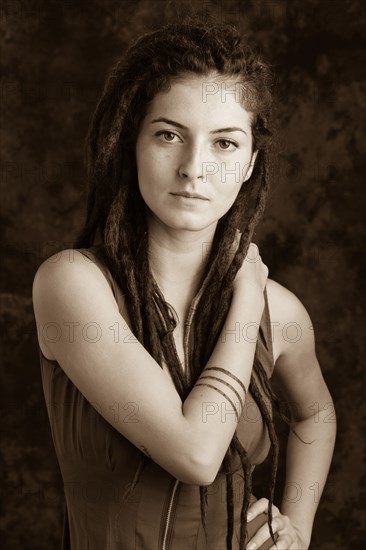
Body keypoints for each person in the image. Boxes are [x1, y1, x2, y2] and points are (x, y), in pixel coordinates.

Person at [32, 17, 336, 550]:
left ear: (249, 165)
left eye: (224, 143)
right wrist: (245, 296)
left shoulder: (281, 313)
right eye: (169, 135)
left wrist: (298, 530)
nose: (194, 168)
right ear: (132, 143)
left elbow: (315, 414)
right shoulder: (73, 286)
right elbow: (197, 453)